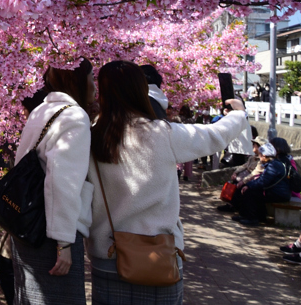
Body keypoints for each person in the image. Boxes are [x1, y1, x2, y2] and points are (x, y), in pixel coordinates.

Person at [87, 60, 248, 304]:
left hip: (108, 253)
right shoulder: (162, 132)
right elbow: (216, 135)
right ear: (141, 90)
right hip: (158, 256)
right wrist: (238, 113)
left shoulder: (93, 134)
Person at [11, 59, 96, 305]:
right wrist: (64, 242)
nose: (94, 86)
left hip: (28, 224)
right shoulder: (75, 117)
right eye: (92, 78)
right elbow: (63, 180)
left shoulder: (42, 111)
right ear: (78, 80)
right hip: (51, 232)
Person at [231, 142, 291, 226]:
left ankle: (252, 218)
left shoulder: (273, 166)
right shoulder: (272, 164)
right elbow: (263, 179)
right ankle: (248, 215)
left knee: (251, 192)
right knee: (250, 189)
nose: (259, 157)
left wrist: (249, 185)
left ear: (264, 156)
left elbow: (264, 181)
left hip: (278, 193)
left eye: (260, 155)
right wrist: (249, 184)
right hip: (275, 191)